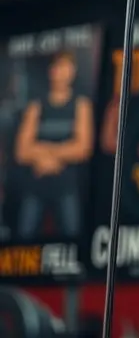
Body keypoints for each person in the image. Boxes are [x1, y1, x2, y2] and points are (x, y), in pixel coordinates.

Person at [14, 51, 94, 238]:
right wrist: (60, 152)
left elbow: (83, 148)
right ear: (51, 71)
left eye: (66, 67)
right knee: (23, 240)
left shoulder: (81, 105)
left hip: (67, 187)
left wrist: (44, 152)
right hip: (36, 186)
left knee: (73, 239)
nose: (61, 72)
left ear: (73, 72)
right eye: (58, 67)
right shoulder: (36, 105)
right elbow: (21, 151)